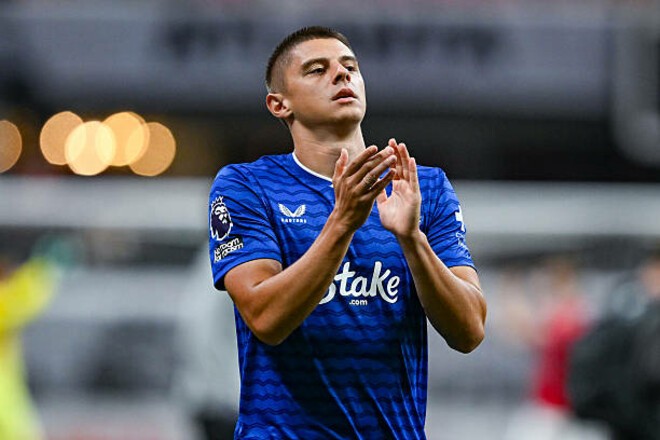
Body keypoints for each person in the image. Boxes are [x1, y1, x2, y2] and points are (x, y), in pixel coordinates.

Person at [208, 26, 487, 439]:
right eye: (317, 69)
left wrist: (413, 240)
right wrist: (343, 222)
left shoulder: (422, 187)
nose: (341, 75)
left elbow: (470, 331)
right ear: (279, 104)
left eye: (350, 67)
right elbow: (265, 318)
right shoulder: (248, 186)